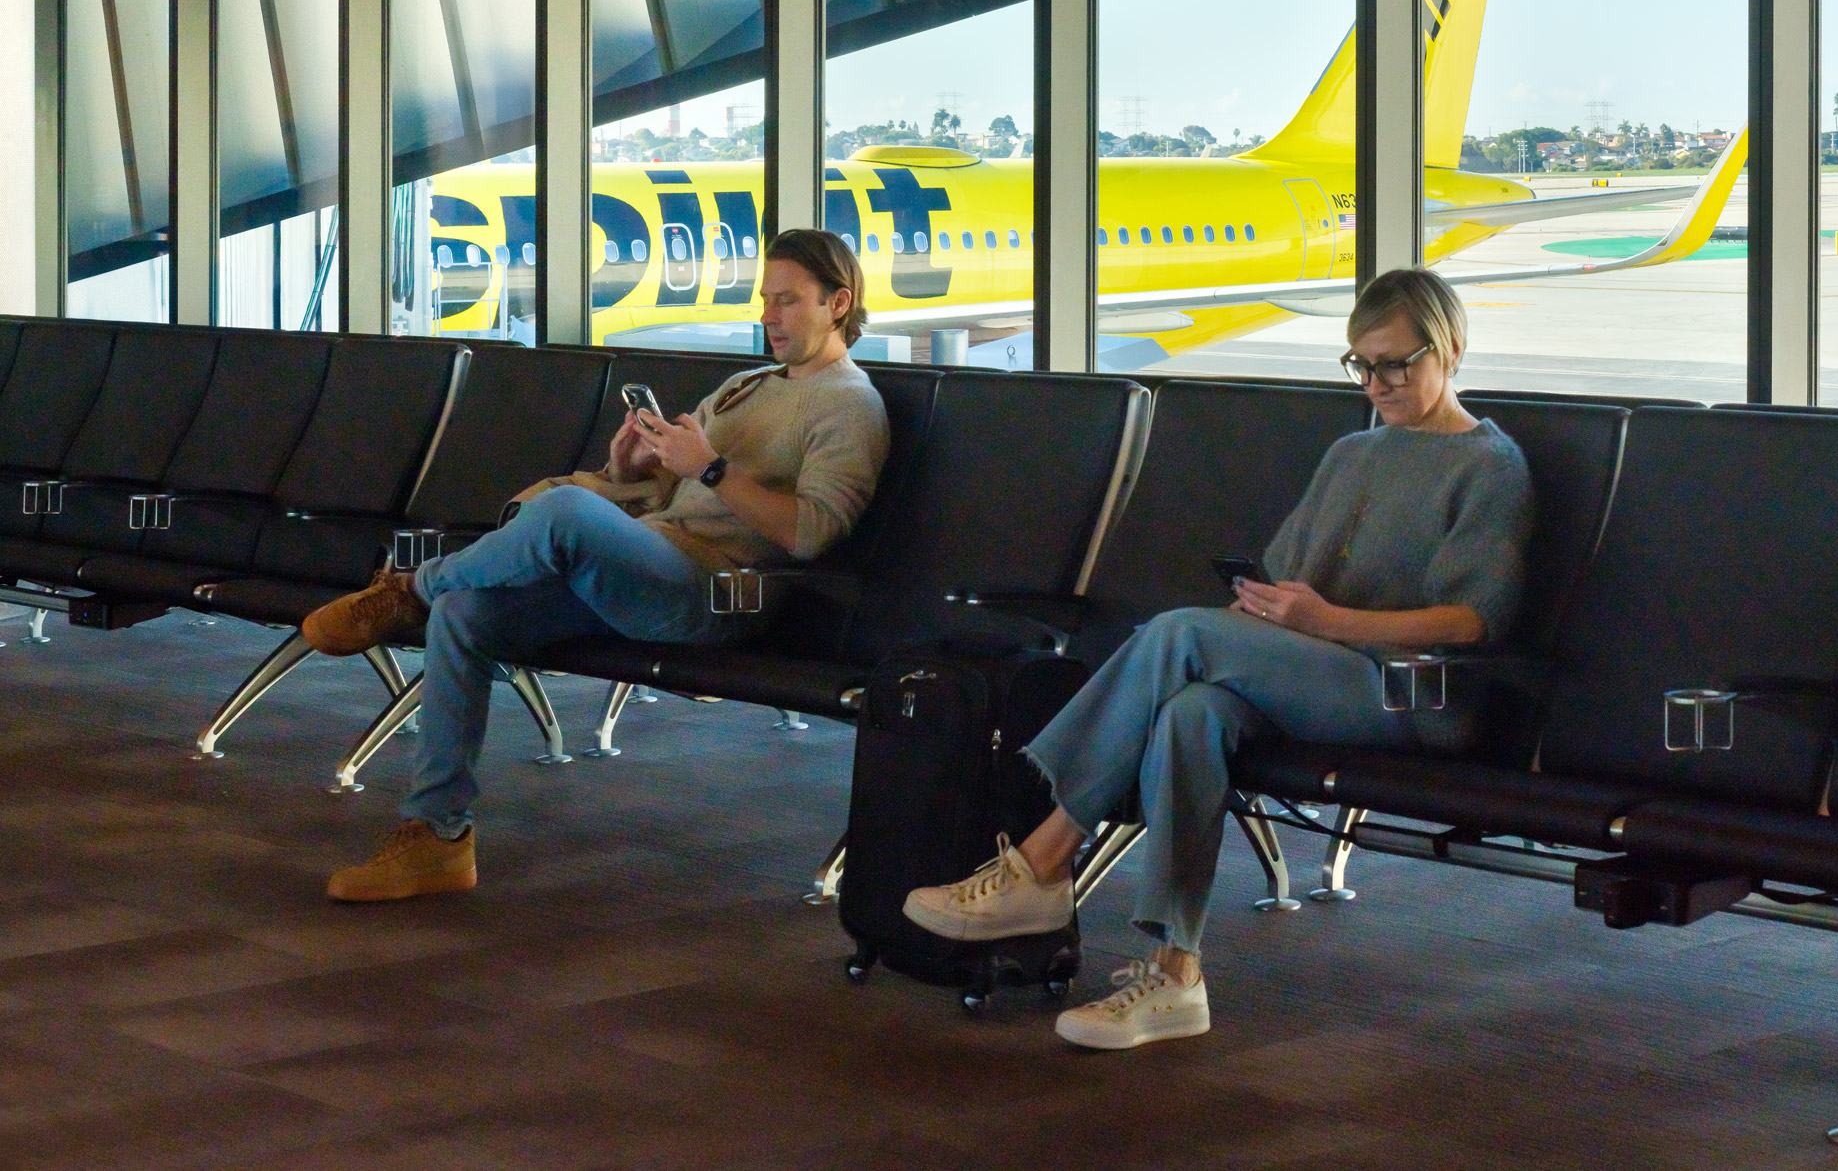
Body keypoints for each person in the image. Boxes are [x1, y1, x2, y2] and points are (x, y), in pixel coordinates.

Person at [903, 265, 1531, 1051]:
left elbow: (1474, 621)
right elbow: (1291, 576)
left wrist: (1325, 619)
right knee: (1189, 715)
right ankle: (1175, 975)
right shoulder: (1352, 453)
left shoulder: (1489, 465)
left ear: (1452, 349)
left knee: (1178, 634)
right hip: (1318, 668)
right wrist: (1266, 607)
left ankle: (1045, 859)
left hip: (1411, 693)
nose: (1377, 382)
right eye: (1362, 364)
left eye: (1396, 363)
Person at [311, 226, 887, 903]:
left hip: (719, 592)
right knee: (468, 613)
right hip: (651, 563)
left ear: (838, 302)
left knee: (562, 515)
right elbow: (677, 490)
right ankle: (437, 835)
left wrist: (710, 466)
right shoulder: (745, 386)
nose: (767, 316)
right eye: (765, 299)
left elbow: (813, 532)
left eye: (787, 301)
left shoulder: (852, 406)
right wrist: (633, 465)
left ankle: (410, 588)